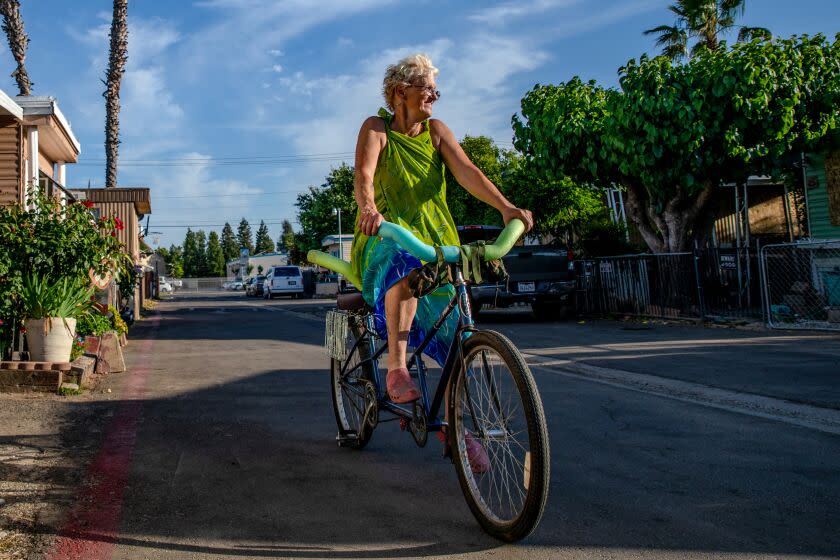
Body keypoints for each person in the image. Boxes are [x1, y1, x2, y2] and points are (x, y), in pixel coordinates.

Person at [349, 54, 533, 469]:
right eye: (426, 87)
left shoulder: (436, 132)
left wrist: (507, 209)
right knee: (405, 262)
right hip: (387, 238)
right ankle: (396, 368)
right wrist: (369, 208)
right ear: (401, 92)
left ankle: (457, 428)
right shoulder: (376, 129)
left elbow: (467, 170)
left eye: (435, 88)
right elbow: (364, 175)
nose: (433, 94)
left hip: (436, 241)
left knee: (456, 337)